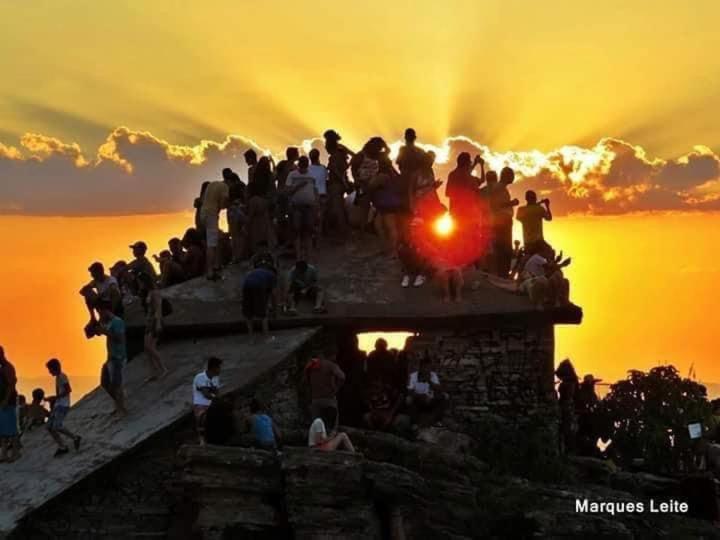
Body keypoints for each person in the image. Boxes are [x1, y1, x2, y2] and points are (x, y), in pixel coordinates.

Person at [95, 301, 128, 416]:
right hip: (110, 358)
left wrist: (106, 333)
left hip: (118, 357)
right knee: (105, 382)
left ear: (105, 310)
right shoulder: (108, 322)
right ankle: (119, 404)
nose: (99, 315)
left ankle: (122, 409)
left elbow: (120, 339)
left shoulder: (117, 322)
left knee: (116, 385)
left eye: (99, 312)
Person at [44, 359, 82, 457]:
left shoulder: (62, 376)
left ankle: (75, 438)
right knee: (49, 427)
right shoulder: (57, 378)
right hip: (58, 405)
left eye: (50, 369)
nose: (49, 372)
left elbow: (68, 390)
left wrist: (55, 398)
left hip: (63, 405)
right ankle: (62, 446)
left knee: (57, 426)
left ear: (54, 368)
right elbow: (59, 393)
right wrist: (53, 400)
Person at [136, 272, 168, 382]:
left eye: (140, 282)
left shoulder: (155, 292)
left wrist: (158, 323)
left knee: (150, 347)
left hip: (155, 321)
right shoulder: (148, 293)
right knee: (146, 348)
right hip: (149, 321)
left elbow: (158, 309)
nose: (139, 284)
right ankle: (153, 372)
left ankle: (163, 369)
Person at [286, 156, 319, 261]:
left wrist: (316, 205)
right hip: (296, 207)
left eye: (305, 166)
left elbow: (315, 191)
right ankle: (299, 256)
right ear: (299, 165)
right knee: (297, 231)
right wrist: (298, 186)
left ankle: (308, 256)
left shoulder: (312, 175)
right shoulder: (292, 175)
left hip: (309, 207)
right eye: (302, 165)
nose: (303, 168)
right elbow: (288, 191)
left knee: (308, 232)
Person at [199, 175, 231, 280]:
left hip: (203, 213)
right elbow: (224, 201)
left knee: (215, 240)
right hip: (211, 214)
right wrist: (227, 205)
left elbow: (203, 199)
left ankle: (216, 266)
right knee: (211, 244)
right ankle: (210, 271)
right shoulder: (225, 187)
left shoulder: (212, 185)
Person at [323, 130, 354, 239]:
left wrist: (344, 182)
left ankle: (343, 234)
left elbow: (336, 172)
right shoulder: (340, 152)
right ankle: (343, 232)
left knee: (338, 210)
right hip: (339, 184)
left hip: (336, 185)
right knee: (338, 209)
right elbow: (354, 155)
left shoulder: (335, 156)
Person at [305, 356, 345, 434]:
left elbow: (306, 381)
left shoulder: (311, 366)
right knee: (333, 425)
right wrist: (336, 388)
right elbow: (342, 377)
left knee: (317, 425)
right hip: (329, 398)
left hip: (315, 400)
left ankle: (319, 443)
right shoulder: (331, 365)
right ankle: (331, 441)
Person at [491, 167, 520, 277]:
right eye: (511, 175)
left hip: (503, 220)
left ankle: (503, 273)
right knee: (504, 247)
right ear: (506, 176)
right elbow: (495, 205)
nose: (513, 178)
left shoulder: (501, 188)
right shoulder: (499, 188)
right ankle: (502, 273)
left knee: (505, 247)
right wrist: (511, 203)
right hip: (502, 221)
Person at [80, 262, 123, 334]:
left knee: (114, 292)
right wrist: (90, 290)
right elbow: (82, 291)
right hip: (102, 303)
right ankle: (93, 318)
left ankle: (110, 314)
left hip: (112, 304)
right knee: (88, 293)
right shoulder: (95, 281)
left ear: (99, 272)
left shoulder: (110, 280)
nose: (92, 275)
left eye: (93, 273)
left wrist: (101, 295)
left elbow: (116, 294)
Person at [406, 356, 447, 426]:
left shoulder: (433, 375)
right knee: (409, 399)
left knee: (443, 397)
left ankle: (436, 420)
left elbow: (439, 389)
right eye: (425, 367)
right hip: (418, 399)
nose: (427, 369)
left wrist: (429, 381)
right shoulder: (413, 376)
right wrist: (421, 396)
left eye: (429, 367)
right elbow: (409, 391)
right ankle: (414, 423)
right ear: (420, 367)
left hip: (430, 400)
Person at [446, 152, 484, 224]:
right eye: (469, 162)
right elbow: (482, 180)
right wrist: (481, 165)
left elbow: (448, 193)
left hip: (455, 214)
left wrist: (475, 163)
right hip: (467, 216)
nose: (470, 164)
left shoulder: (452, 175)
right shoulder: (468, 177)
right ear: (466, 164)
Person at [242, 265, 279, 338]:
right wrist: (275, 311)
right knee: (263, 314)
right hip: (258, 285)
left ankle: (250, 335)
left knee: (248, 312)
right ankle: (266, 336)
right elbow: (273, 295)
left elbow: (267, 294)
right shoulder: (273, 275)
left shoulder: (258, 271)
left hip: (246, 285)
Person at [193, 356, 222, 445]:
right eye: (219, 367)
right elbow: (206, 394)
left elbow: (216, 392)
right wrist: (216, 397)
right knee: (203, 418)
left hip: (210, 405)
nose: (220, 370)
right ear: (213, 368)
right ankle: (201, 439)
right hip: (201, 404)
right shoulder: (200, 377)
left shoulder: (215, 378)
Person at [516, 190, 553, 256]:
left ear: (526, 199)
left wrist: (535, 205)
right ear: (535, 198)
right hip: (539, 241)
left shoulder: (521, 210)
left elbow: (519, 217)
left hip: (527, 242)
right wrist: (547, 206)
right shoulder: (539, 209)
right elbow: (549, 218)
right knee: (551, 252)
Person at [0, 347, 20, 462]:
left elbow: (11, 385)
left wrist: (6, 400)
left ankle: (15, 453)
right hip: (3, 401)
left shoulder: (8, 367)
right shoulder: (2, 368)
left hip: (9, 401)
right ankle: (3, 454)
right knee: (3, 429)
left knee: (12, 429)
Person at [555, 358, 579, 455]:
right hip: (566, 407)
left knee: (566, 431)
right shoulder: (571, 382)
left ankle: (567, 452)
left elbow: (568, 397)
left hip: (566, 408)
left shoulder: (569, 384)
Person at [224, 168, 247, 263]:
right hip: (242, 210)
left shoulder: (231, 188)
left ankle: (236, 257)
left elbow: (227, 202)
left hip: (234, 211)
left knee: (235, 235)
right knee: (242, 234)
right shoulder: (242, 185)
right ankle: (243, 254)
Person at [308, 149, 328, 236]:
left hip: (312, 195)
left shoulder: (307, 169)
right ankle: (319, 237)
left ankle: (313, 236)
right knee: (321, 218)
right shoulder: (323, 168)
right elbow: (326, 179)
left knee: (312, 217)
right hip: (322, 195)